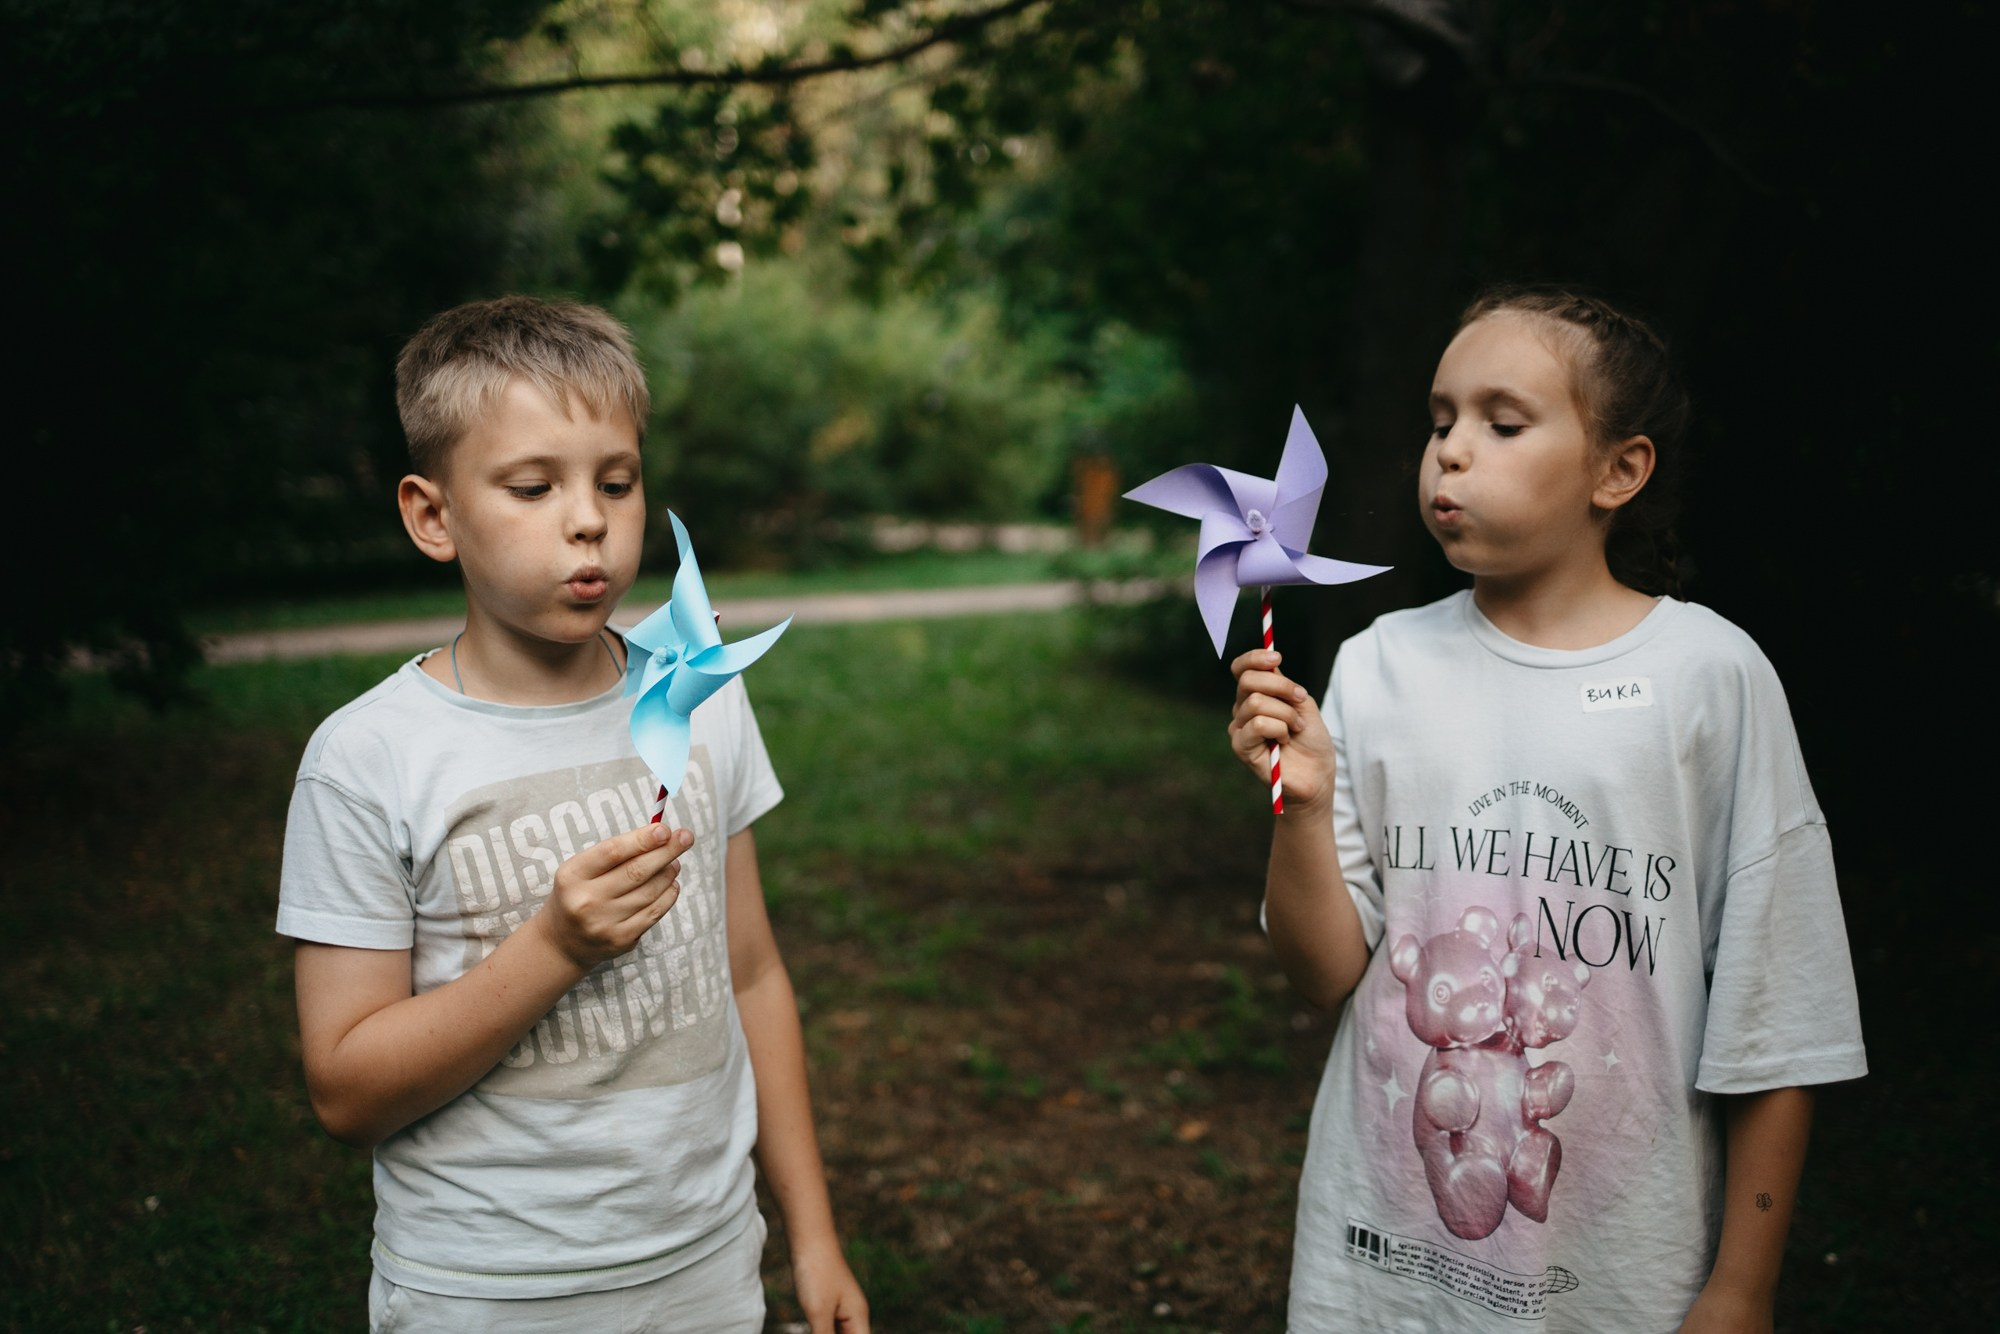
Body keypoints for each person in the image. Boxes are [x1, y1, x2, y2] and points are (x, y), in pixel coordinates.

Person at [1228, 287, 1865, 1333]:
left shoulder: (1708, 676)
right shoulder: (1378, 665)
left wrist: (1740, 1286)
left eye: (1501, 421)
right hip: (1381, 1282)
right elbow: (1321, 972)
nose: (1450, 452)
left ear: (1618, 470)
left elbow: (1776, 1011)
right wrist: (1300, 812)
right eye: (1439, 421)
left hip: (1620, 1282)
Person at [277, 296, 868, 1334]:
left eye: (616, 481)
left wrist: (811, 1235)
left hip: (706, 1266)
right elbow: (345, 1088)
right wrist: (552, 945)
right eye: (532, 485)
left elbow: (752, 970)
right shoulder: (366, 759)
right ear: (433, 515)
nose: (588, 517)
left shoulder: (698, 693)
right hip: (488, 1291)